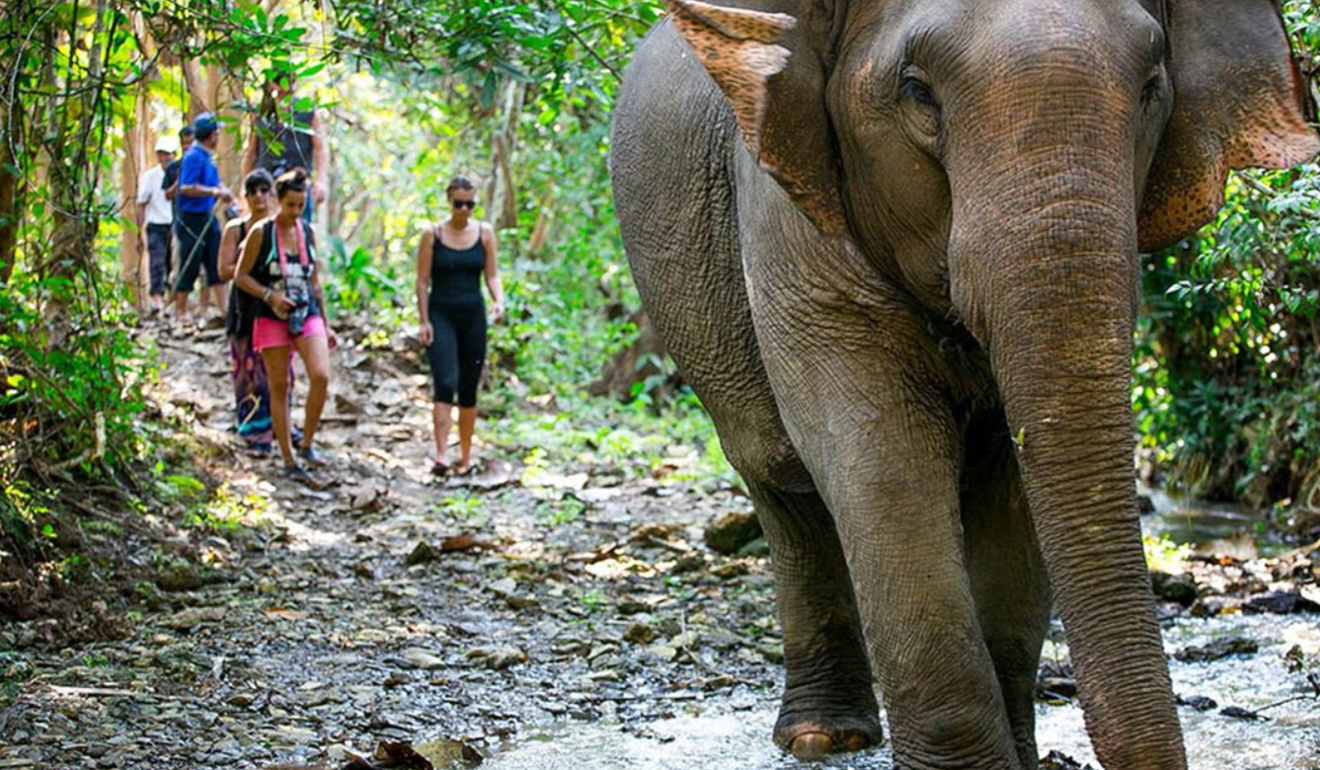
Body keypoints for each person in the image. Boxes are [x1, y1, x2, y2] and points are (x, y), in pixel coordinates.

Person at [233, 168, 335, 481]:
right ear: (279, 202)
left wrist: (327, 324)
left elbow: (314, 280)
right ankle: (289, 460)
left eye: (300, 206)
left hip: (307, 312)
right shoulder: (261, 232)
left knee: (320, 376)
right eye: (290, 205)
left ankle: (306, 443)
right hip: (270, 315)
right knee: (280, 386)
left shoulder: (307, 232)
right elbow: (240, 275)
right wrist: (269, 295)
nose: (295, 212)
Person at [416, 175, 505, 477]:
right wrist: (424, 319)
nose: (464, 210)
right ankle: (442, 455)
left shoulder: (484, 233)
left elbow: (492, 275)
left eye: (470, 204)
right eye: (459, 204)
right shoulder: (433, 235)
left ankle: (465, 457)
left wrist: (499, 301)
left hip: (473, 316)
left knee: (468, 387)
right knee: (444, 382)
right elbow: (421, 280)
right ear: (449, 201)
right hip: (441, 314)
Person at [219, 168, 292, 454]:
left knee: (279, 373)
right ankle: (253, 428)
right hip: (245, 308)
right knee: (247, 370)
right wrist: (245, 259)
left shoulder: (283, 228)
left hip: (277, 310)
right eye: (254, 192)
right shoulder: (235, 229)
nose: (260, 197)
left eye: (265, 191)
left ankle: (281, 427)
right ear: (246, 197)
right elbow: (224, 269)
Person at [242, 72, 328, 222]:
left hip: (297, 185)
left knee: (300, 230)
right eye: (281, 82)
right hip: (266, 186)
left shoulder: (307, 112)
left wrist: (320, 181)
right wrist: (245, 187)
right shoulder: (261, 113)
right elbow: (251, 152)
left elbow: (320, 149)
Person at [175, 112, 233, 321]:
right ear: (211, 135)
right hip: (191, 218)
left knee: (215, 262)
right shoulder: (193, 157)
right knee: (190, 263)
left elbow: (216, 183)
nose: (218, 137)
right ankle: (180, 312)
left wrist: (225, 192)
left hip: (208, 216)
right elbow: (186, 187)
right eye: (217, 133)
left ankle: (225, 311)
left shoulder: (208, 158)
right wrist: (213, 192)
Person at [136, 138, 175, 315]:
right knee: (157, 262)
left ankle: (172, 299)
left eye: (168, 154)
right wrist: (139, 231)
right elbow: (141, 203)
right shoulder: (150, 177)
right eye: (161, 154)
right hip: (156, 226)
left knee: (173, 263)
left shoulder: (180, 174)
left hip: (175, 226)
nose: (165, 157)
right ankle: (156, 298)